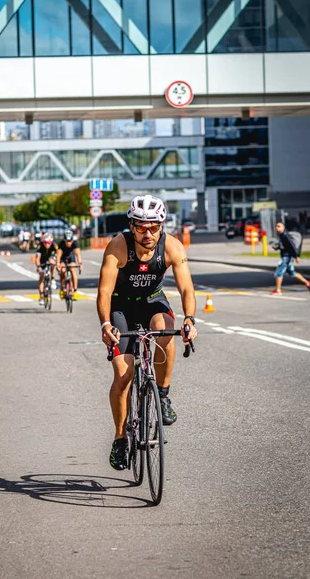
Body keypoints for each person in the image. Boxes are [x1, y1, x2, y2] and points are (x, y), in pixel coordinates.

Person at [97, 194, 197, 471]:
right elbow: (104, 290)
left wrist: (189, 319)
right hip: (121, 307)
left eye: (154, 226)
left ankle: (162, 394)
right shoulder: (118, 246)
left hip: (153, 301)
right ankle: (120, 437)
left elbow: (186, 288)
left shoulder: (172, 247)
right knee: (123, 373)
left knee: (165, 331)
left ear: (162, 225)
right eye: (141, 227)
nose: (148, 233)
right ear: (132, 225)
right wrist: (106, 324)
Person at [271, 221, 310, 295]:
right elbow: (285, 245)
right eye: (276, 226)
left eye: (279, 226)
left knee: (279, 272)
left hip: (287, 257)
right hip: (287, 256)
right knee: (292, 273)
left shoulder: (285, 235)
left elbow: (292, 246)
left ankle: (278, 290)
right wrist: (278, 247)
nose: (277, 228)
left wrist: (296, 256)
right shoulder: (282, 235)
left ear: (283, 227)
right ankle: (308, 283)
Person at [56, 229, 83, 298]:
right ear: (64, 240)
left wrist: (80, 264)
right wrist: (58, 264)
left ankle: (75, 290)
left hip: (71, 257)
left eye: (70, 241)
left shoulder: (75, 243)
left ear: (72, 240)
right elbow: (58, 255)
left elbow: (78, 254)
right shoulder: (61, 244)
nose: (68, 243)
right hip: (63, 258)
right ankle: (62, 288)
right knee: (62, 271)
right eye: (67, 241)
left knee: (72, 269)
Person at [35, 233, 58, 304]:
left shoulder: (55, 245)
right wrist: (38, 267)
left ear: (51, 242)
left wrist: (58, 264)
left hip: (51, 257)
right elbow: (37, 258)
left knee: (52, 262)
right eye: (45, 243)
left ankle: (53, 278)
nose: (47, 245)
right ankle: (41, 296)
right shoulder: (40, 246)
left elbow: (58, 256)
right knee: (41, 276)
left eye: (49, 243)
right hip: (42, 259)